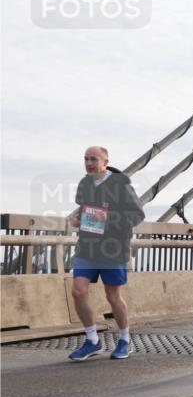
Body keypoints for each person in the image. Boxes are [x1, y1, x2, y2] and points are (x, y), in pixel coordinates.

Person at [67, 146, 145, 361]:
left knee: (113, 296)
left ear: (105, 162)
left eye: (94, 159)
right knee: (78, 291)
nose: (89, 163)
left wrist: (102, 220)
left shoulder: (121, 185)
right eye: (85, 159)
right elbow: (85, 209)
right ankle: (92, 341)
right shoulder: (85, 183)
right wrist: (76, 216)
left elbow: (137, 215)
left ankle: (124, 340)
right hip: (87, 247)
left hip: (112, 248)